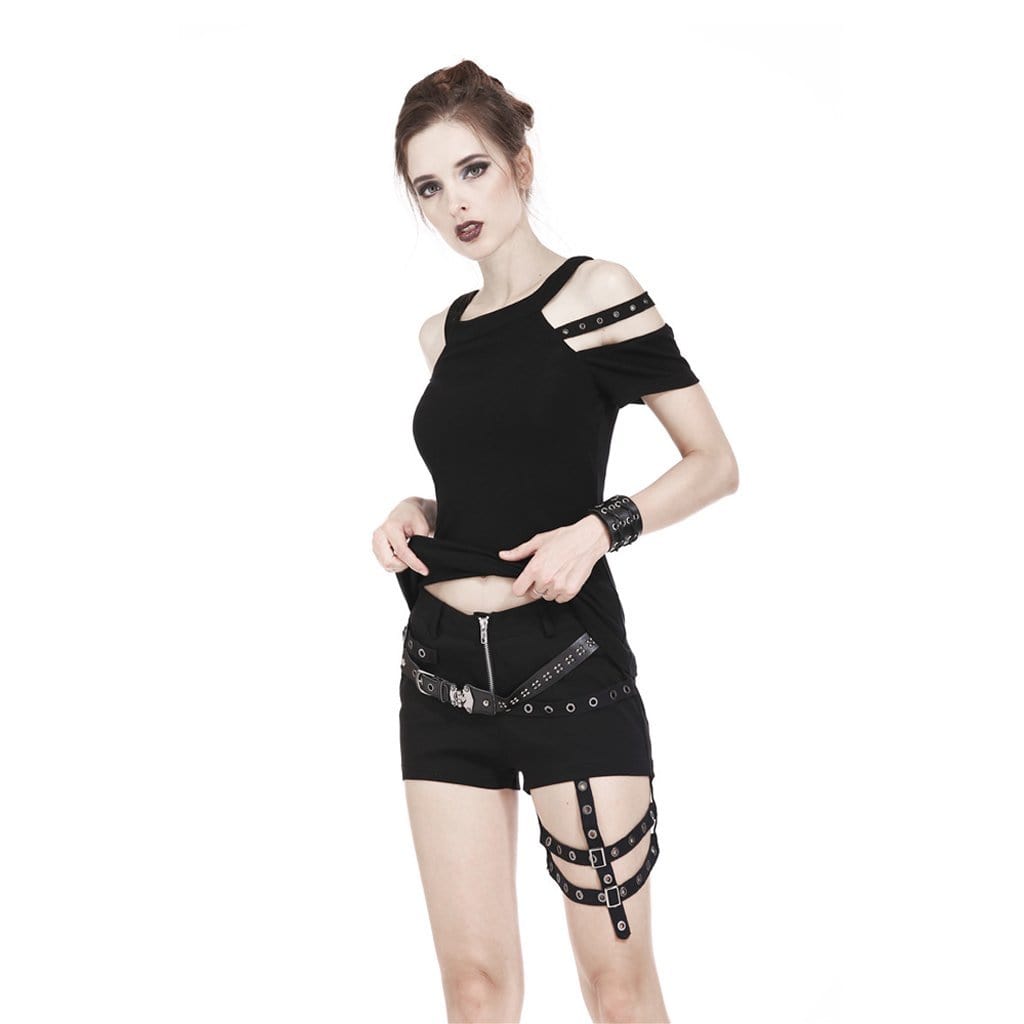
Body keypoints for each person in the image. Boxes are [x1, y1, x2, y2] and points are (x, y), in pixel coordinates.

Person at [373, 59, 739, 1024]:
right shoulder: (441, 335)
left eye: (473, 170)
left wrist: (602, 528)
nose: (456, 201)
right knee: (475, 990)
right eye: (429, 186)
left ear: (521, 165)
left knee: (616, 990)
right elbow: (491, 485)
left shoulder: (598, 293)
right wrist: (417, 509)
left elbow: (713, 461)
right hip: (440, 671)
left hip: (563, 660)